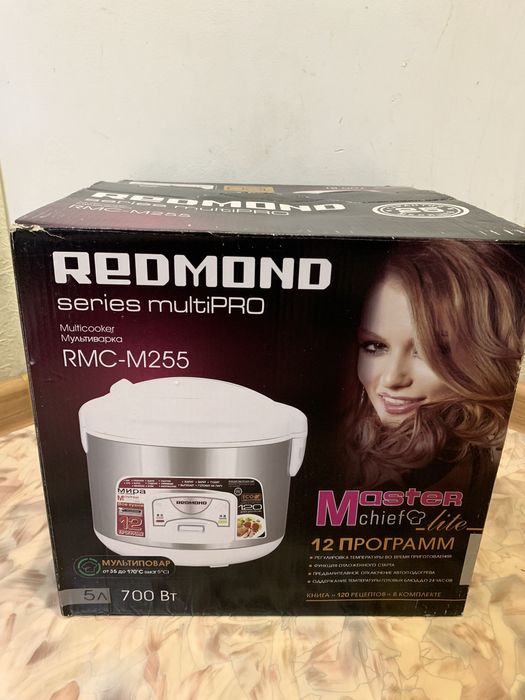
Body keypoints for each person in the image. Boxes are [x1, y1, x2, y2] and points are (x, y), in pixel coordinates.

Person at [344, 239, 525, 494]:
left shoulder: (451, 462)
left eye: (428, 351)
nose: (391, 379)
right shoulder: (347, 427)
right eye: (375, 346)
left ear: (484, 353)